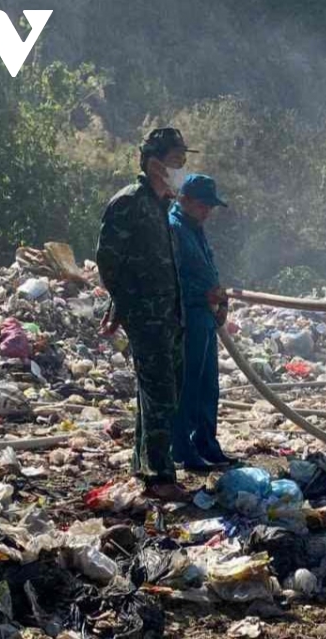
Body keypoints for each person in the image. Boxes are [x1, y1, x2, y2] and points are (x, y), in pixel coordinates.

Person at [96, 127, 196, 502]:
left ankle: (146, 463)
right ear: (154, 164)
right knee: (161, 393)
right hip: (147, 316)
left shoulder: (163, 205)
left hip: (170, 314)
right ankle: (159, 477)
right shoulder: (129, 203)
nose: (181, 169)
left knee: (161, 391)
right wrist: (125, 304)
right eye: (176, 162)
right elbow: (109, 261)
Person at [169, 173, 237, 468]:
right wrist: (204, 294)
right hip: (188, 316)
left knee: (208, 385)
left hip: (206, 317)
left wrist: (222, 302)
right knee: (188, 387)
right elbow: (172, 278)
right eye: (202, 205)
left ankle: (207, 444)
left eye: (210, 206)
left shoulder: (195, 227)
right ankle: (183, 450)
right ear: (184, 200)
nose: (207, 211)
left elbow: (208, 269)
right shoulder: (173, 228)